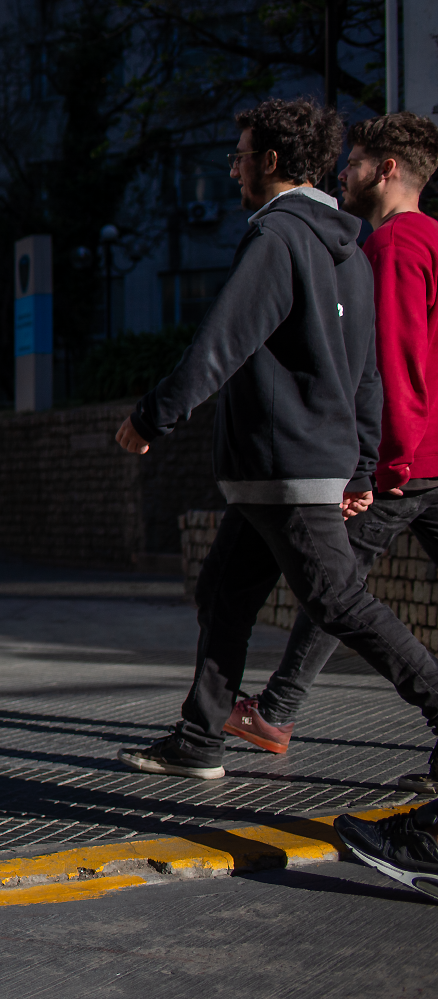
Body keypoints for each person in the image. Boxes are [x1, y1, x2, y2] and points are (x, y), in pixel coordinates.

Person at [112, 97, 438, 783]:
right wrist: (360, 463)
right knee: (224, 592)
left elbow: (221, 341)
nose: (233, 172)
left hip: (286, 465)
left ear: (269, 160)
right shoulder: (347, 244)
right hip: (288, 467)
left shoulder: (279, 237)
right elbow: (368, 370)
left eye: (239, 157)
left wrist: (152, 417)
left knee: (338, 601)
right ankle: (200, 738)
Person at [226, 113, 438, 791]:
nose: (340, 174)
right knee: (339, 587)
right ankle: (277, 710)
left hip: (407, 461)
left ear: (387, 171)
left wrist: (383, 464)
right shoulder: (433, 237)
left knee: (335, 588)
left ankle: (277, 712)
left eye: (353, 162)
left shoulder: (391, 247)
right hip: (434, 453)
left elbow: (393, 362)